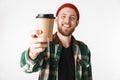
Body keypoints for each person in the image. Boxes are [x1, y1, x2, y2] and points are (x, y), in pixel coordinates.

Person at [20, 3, 92, 80]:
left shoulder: (84, 49)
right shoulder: (44, 44)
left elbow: (88, 77)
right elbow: (26, 68)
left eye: (72, 18)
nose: (67, 21)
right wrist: (32, 54)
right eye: (63, 16)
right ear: (56, 20)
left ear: (77, 23)